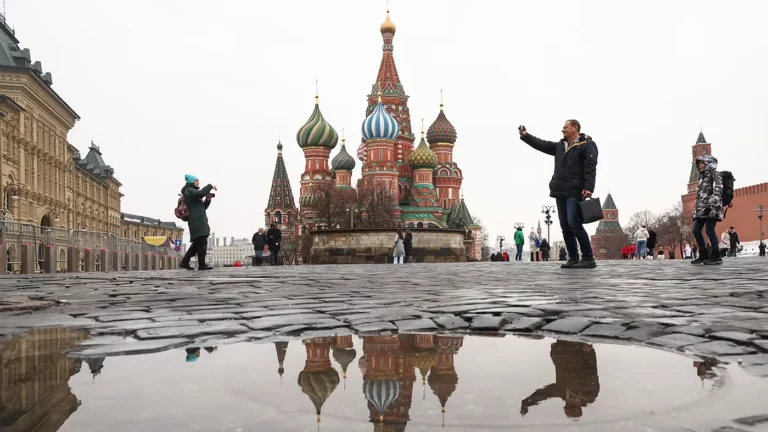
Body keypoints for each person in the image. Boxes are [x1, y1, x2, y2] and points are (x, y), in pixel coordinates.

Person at [519, 121, 598, 269]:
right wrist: (526, 136)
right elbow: (541, 144)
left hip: (574, 190)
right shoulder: (560, 146)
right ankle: (573, 257)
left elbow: (590, 166)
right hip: (560, 190)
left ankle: (588, 257)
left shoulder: (586, 144)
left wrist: (589, 187)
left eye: (565, 128)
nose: (562, 130)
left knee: (574, 223)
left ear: (575, 128)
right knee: (565, 226)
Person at [689, 155, 724, 265]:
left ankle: (716, 255)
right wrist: (696, 212)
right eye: (699, 163)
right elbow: (700, 197)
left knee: (709, 230)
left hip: (712, 209)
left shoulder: (715, 175)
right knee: (696, 230)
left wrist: (710, 206)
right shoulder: (702, 177)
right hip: (701, 210)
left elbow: (718, 191)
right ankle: (703, 253)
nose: (700, 165)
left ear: (709, 163)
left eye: (702, 163)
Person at [179, 175, 215, 270]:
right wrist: (210, 186)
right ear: (191, 182)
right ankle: (202, 265)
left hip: (198, 219)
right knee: (202, 241)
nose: (198, 182)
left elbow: (202, 207)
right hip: (196, 220)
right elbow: (201, 193)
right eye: (196, 180)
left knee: (197, 243)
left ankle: (185, 262)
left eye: (198, 180)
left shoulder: (192, 192)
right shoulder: (189, 190)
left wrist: (208, 199)